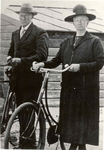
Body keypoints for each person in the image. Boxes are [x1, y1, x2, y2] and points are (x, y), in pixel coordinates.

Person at [32, 4, 104, 150]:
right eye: (77, 20)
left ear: (88, 22)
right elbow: (55, 61)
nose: (80, 23)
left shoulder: (94, 41)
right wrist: (42, 64)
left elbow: (100, 62)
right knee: (71, 121)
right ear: (73, 22)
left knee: (82, 122)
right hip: (69, 89)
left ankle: (76, 147)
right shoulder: (66, 43)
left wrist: (80, 67)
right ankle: (77, 146)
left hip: (86, 90)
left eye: (83, 20)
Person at [5, 3, 49, 149]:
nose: (23, 18)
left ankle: (29, 145)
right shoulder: (15, 33)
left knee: (29, 111)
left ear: (32, 16)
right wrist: (9, 60)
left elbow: (42, 55)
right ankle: (24, 143)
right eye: (21, 15)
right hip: (17, 80)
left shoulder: (39, 32)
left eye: (26, 16)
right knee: (19, 111)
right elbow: (11, 51)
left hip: (32, 80)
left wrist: (22, 61)